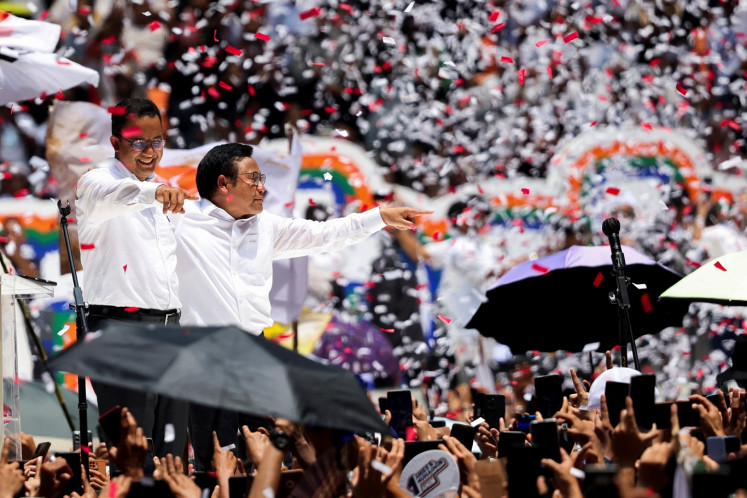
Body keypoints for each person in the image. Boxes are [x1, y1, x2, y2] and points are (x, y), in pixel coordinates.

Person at [172, 142, 431, 470]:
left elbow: (326, 235)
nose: (262, 187)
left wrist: (378, 217)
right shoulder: (180, 220)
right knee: (218, 462)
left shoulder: (266, 226)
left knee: (277, 455)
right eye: (253, 179)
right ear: (224, 184)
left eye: (261, 178)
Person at [75, 97, 196, 459]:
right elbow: (118, 194)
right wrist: (153, 192)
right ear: (115, 143)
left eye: (156, 141)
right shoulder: (95, 183)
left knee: (172, 456)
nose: (149, 151)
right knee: (132, 457)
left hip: (170, 331)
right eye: (138, 142)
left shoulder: (167, 192)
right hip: (120, 329)